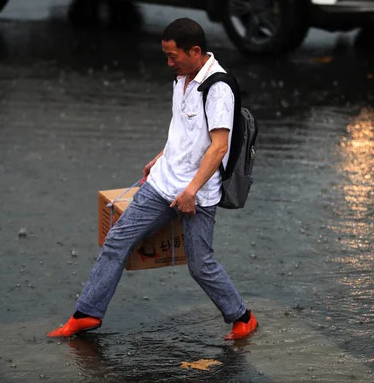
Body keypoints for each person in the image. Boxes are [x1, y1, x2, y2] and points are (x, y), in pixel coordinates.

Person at [47, 17, 258, 340]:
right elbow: (186, 131)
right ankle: (87, 313)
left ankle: (242, 317)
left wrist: (191, 191)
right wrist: (162, 156)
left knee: (200, 265)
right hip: (163, 183)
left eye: (173, 56)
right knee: (117, 241)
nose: (168, 62)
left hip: (196, 194)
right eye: (166, 55)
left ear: (196, 51)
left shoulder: (217, 89)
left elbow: (218, 148)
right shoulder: (181, 78)